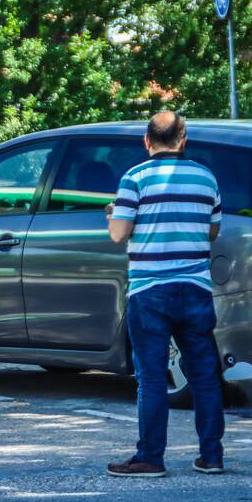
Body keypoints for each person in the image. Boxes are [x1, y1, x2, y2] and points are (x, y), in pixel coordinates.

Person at [105, 110, 225, 477]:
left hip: (150, 292)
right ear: (183, 139)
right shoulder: (206, 178)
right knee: (204, 376)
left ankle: (150, 458)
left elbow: (118, 234)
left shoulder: (134, 178)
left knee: (152, 378)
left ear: (147, 141)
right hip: (195, 290)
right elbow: (212, 233)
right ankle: (211, 456)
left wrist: (114, 214)